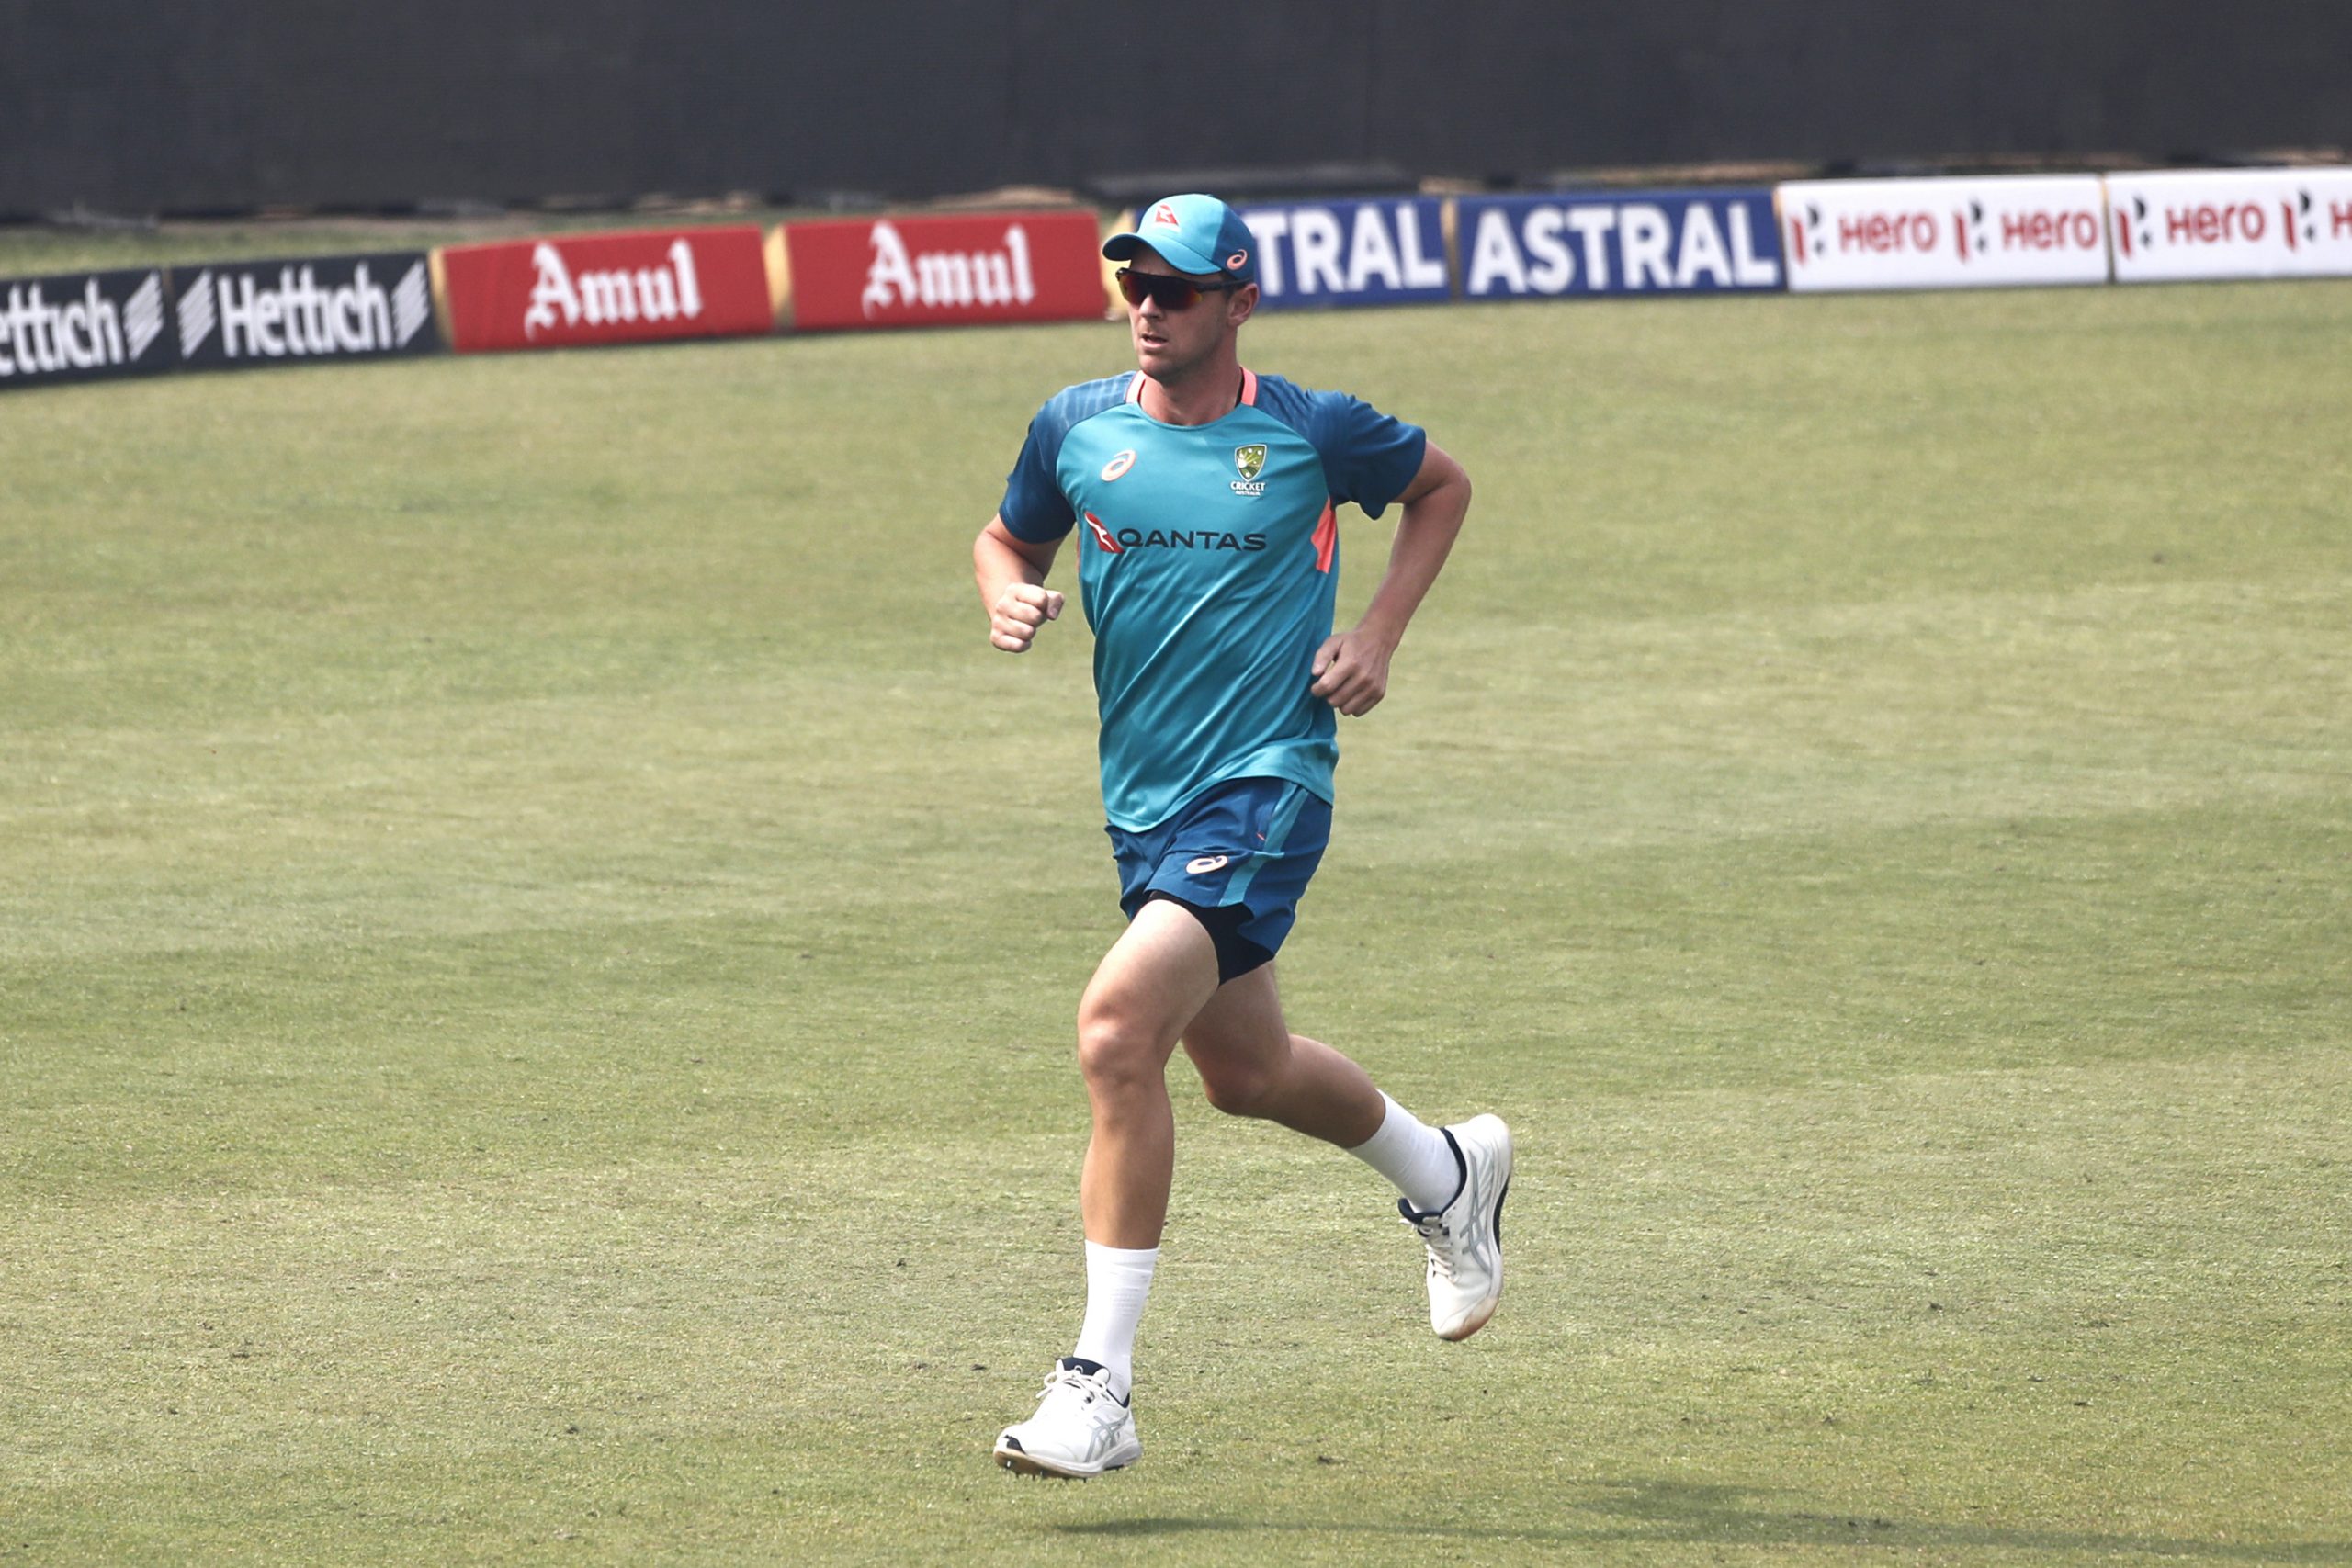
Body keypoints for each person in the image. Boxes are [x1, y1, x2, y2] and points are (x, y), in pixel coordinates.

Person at [972, 194, 1509, 1480]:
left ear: (1238, 301)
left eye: (1178, 289)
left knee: (1114, 1032)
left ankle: (1099, 1386)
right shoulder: (1075, 425)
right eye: (1134, 286)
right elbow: (1006, 535)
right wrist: (1009, 592)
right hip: (1144, 804)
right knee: (1246, 1075)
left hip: (1267, 788)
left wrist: (1375, 635)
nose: (1150, 308)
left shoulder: (1310, 430)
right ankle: (1447, 1173)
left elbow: (1439, 488)